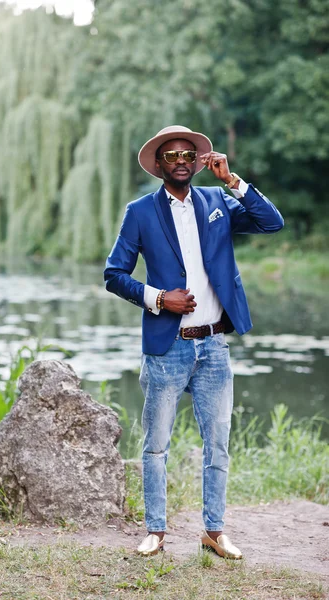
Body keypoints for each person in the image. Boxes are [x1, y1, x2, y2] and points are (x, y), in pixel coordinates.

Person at [104, 125, 284, 559]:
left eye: (188, 154)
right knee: (156, 445)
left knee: (217, 443)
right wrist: (159, 298)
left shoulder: (217, 200)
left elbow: (271, 222)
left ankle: (214, 531)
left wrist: (231, 180)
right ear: (159, 165)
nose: (181, 160)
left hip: (215, 347)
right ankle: (156, 531)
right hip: (168, 347)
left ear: (197, 160)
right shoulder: (140, 211)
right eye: (172, 155)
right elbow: (114, 275)